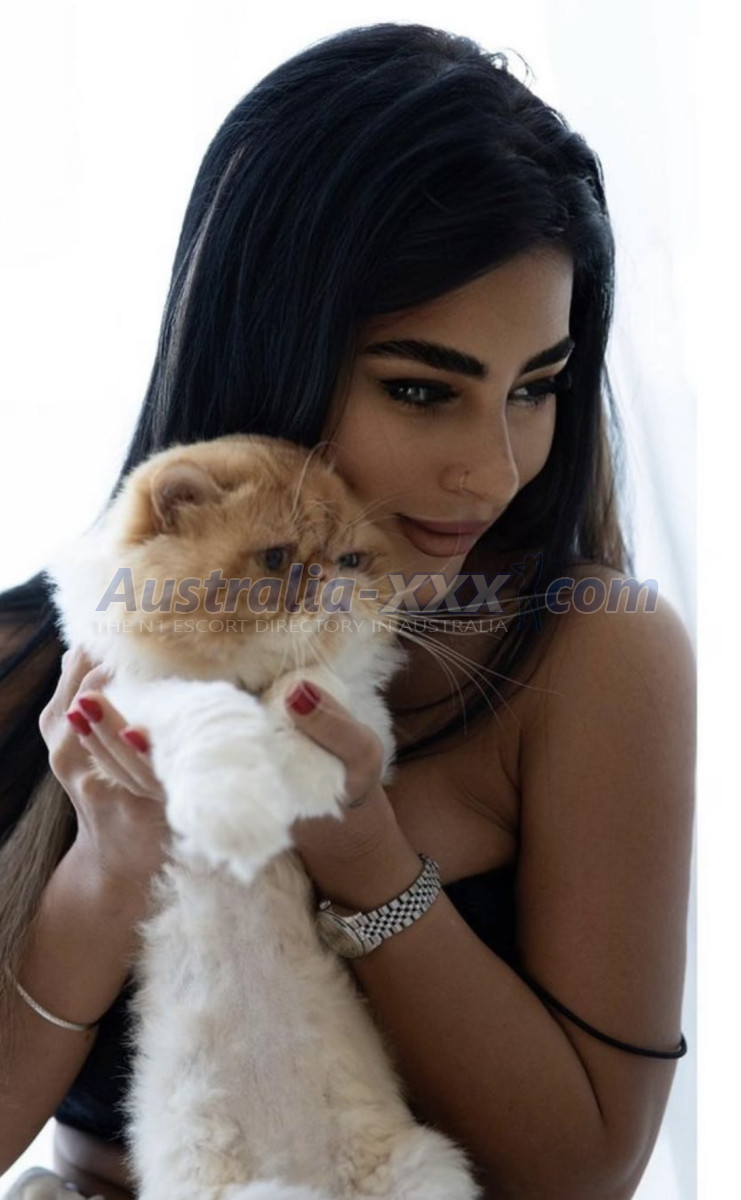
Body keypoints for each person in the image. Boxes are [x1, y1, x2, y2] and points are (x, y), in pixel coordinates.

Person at [0, 22, 695, 1200]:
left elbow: (585, 1172)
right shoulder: (36, 663)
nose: (495, 470)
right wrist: (107, 873)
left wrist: (363, 853)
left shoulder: (590, 653)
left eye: (538, 387)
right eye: (422, 389)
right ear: (266, 344)